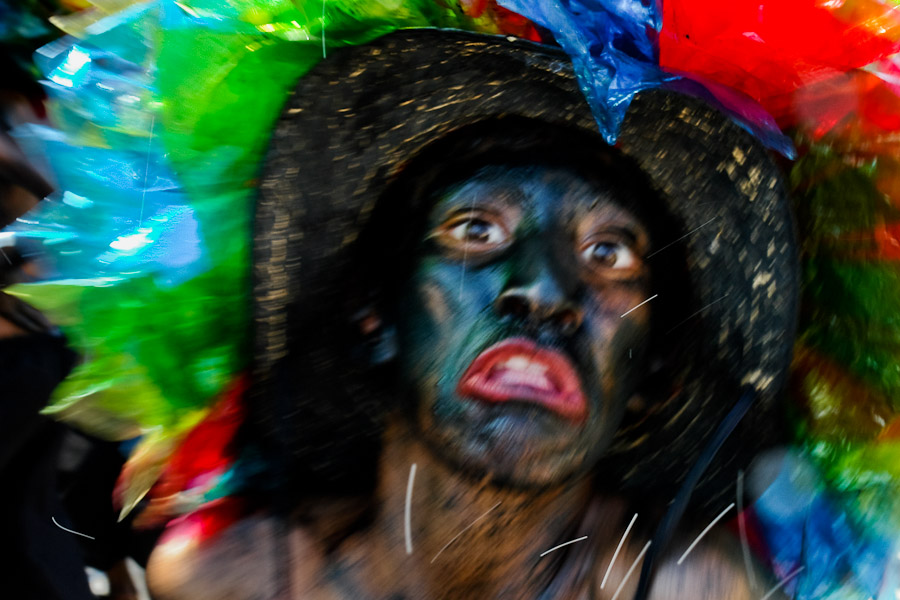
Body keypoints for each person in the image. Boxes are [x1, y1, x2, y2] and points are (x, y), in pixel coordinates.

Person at [146, 30, 798, 600]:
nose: (543, 291)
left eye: (609, 252)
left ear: (652, 369)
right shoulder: (234, 581)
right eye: (476, 231)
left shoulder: (700, 591)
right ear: (376, 315)